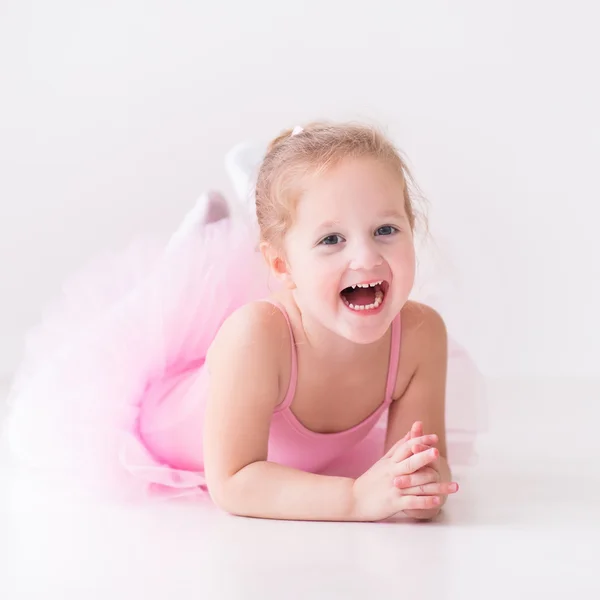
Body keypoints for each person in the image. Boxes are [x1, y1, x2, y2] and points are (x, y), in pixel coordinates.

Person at [5, 122, 465, 522]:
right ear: (281, 268)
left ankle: (269, 210)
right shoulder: (256, 338)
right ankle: (195, 248)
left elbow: (423, 463)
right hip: (149, 411)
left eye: (386, 230)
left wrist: (420, 486)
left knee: (309, 263)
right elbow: (235, 480)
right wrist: (354, 498)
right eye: (332, 239)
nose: (366, 257)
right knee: (62, 386)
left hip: (284, 320)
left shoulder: (421, 336)